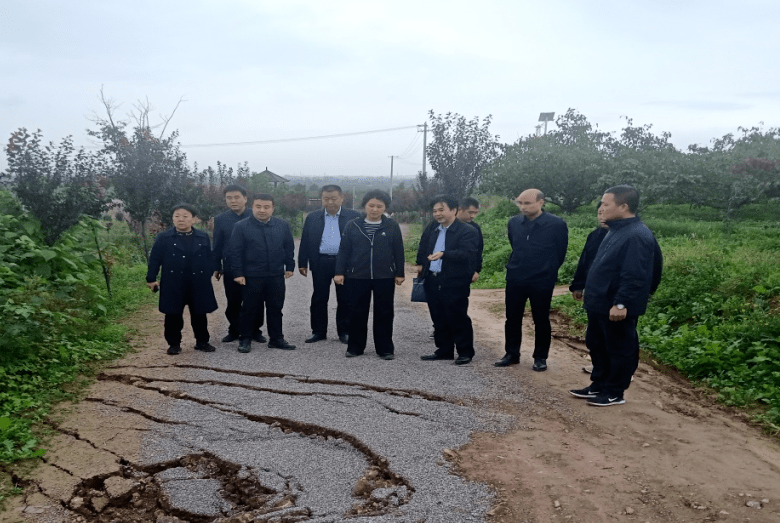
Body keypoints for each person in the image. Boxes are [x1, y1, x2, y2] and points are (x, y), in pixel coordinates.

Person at [569, 185, 661, 406]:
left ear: (623, 206)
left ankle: (614, 391)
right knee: (597, 344)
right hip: (599, 302)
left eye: (605, 204)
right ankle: (598, 384)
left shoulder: (637, 235)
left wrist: (621, 302)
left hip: (614, 305)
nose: (601, 208)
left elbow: (635, 274)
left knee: (619, 348)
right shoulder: (616, 230)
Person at [496, 189, 568, 371]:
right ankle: (512, 353)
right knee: (512, 318)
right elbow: (515, 245)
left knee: (541, 319)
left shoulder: (556, 224)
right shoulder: (514, 223)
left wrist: (547, 269)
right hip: (516, 277)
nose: (522, 207)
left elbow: (560, 252)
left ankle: (540, 357)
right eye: (520, 203)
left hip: (542, 280)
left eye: (527, 203)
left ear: (541, 202)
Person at [334, 190, 405, 359]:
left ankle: (385, 348)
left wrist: (400, 272)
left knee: (385, 313)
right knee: (357, 312)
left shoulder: (392, 226)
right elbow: (344, 250)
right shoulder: (353, 225)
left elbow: (398, 250)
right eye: (371, 205)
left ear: (385, 208)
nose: (374, 209)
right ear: (365, 206)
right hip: (357, 276)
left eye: (379, 206)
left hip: (384, 276)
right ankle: (355, 347)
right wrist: (339, 272)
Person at [146, 204, 218, 355]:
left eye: (185, 216)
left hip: (198, 282)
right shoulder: (164, 238)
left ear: (193, 219)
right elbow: (155, 259)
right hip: (173, 282)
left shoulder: (202, 237)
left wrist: (208, 273)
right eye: (177, 216)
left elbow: (209, 257)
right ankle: (174, 344)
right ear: (172, 219)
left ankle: (202, 342)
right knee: (173, 315)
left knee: (199, 313)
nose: (181, 219)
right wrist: (151, 278)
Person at [229, 194, 296, 353]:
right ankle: (245, 338)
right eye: (258, 206)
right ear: (252, 207)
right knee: (249, 308)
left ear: (272, 208)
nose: (262, 210)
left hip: (275, 275)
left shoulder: (282, 225)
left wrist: (290, 266)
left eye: (266, 207)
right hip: (252, 275)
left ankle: (276, 338)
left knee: (275, 308)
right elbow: (235, 252)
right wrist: (238, 273)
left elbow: (288, 247)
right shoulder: (241, 227)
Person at [417, 195, 479, 365]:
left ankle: (465, 352)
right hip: (432, 278)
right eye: (435, 210)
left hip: (454, 280)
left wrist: (445, 254)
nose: (437, 214)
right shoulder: (433, 228)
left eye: (441, 209)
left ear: (454, 210)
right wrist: (420, 264)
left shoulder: (467, 231)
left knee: (457, 316)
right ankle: (444, 350)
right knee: (438, 317)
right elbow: (423, 246)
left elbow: (467, 253)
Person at [298, 185, 360, 344]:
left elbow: (360, 242)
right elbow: (305, 241)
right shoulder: (312, 217)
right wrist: (302, 262)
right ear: (321, 199)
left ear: (341, 199)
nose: (330, 202)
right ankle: (318, 331)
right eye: (326, 199)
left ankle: (345, 331)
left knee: (345, 298)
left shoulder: (354, 217)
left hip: (344, 264)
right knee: (319, 297)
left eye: (334, 199)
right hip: (320, 262)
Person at [212, 184, 265, 344]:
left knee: (256, 300)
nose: (233, 201)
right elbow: (217, 244)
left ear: (245, 198)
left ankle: (255, 330)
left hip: (255, 266)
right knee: (233, 300)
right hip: (231, 267)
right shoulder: (221, 219)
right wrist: (217, 266)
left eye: (236, 197)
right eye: (229, 198)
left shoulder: (255, 216)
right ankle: (234, 330)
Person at [457, 196, 484, 284]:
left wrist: (476, 270)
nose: (473, 216)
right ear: (460, 209)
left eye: (475, 213)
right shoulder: (446, 225)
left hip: (466, 271)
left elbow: (479, 250)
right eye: (470, 212)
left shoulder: (475, 228)